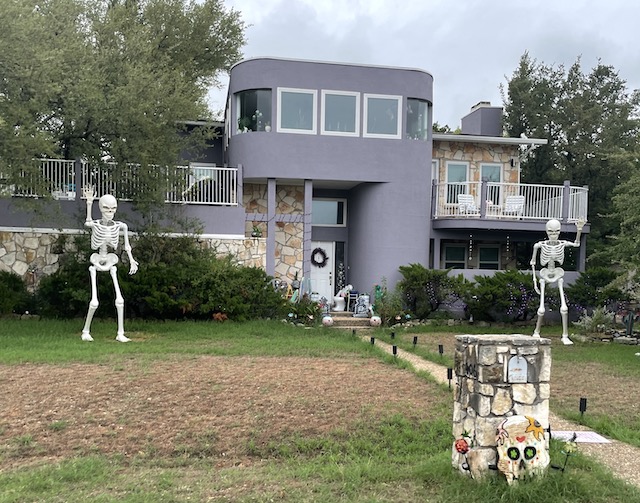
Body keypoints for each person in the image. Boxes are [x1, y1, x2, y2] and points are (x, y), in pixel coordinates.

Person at [81, 186, 138, 342]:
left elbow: (127, 246)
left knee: (120, 300)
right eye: (106, 208)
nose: (110, 211)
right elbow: (88, 223)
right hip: (96, 260)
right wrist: (89, 203)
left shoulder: (121, 226)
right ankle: (86, 331)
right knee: (94, 301)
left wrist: (132, 260)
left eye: (113, 208)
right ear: (101, 209)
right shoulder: (96, 224)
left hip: (111, 260)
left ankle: (120, 334)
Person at [530, 218, 585, 345]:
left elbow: (576, 244)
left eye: (556, 231)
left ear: (559, 232)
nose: (554, 234)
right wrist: (535, 282)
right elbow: (532, 262)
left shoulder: (562, 243)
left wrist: (579, 230)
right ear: (547, 232)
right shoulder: (539, 245)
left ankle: (565, 335)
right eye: (551, 232)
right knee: (541, 309)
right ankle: (536, 332)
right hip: (544, 274)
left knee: (564, 307)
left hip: (558, 272)